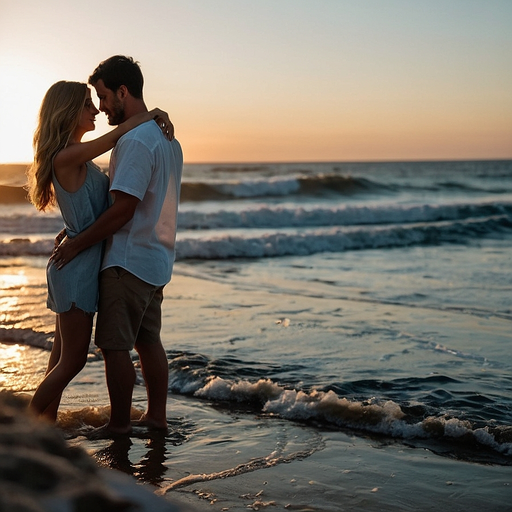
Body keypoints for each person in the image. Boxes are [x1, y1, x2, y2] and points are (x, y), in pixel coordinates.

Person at [50, 56, 184, 436]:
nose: (102, 105)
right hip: (157, 259)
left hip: (127, 260)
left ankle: (120, 425)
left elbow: (123, 210)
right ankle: (156, 419)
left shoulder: (136, 140)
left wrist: (77, 243)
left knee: (113, 346)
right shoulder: (168, 140)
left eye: (105, 96)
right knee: (149, 342)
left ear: (123, 92)